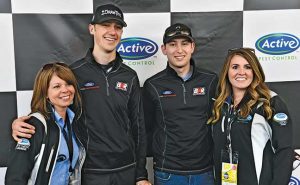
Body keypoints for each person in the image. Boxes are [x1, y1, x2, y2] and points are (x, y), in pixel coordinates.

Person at [11, 4, 151, 185]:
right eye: (105, 25)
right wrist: (23, 123)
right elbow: (53, 113)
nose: (112, 31)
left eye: (117, 27)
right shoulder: (73, 74)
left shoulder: (130, 76)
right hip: (89, 171)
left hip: (126, 169)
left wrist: (140, 175)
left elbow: (138, 128)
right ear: (92, 29)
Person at [142, 23, 217, 185]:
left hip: (205, 171)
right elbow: (144, 130)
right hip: (167, 172)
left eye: (184, 44)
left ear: (192, 47)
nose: (179, 50)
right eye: (172, 44)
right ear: (164, 49)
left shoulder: (210, 80)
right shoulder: (152, 85)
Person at [208, 47, 293, 185]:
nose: (241, 72)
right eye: (235, 67)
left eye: (247, 67)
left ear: (254, 71)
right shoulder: (220, 104)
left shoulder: (269, 102)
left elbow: (284, 151)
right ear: (227, 72)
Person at [5, 62, 85, 184]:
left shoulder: (75, 121)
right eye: (57, 86)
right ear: (45, 93)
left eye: (68, 84)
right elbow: (15, 178)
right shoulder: (32, 126)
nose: (65, 90)